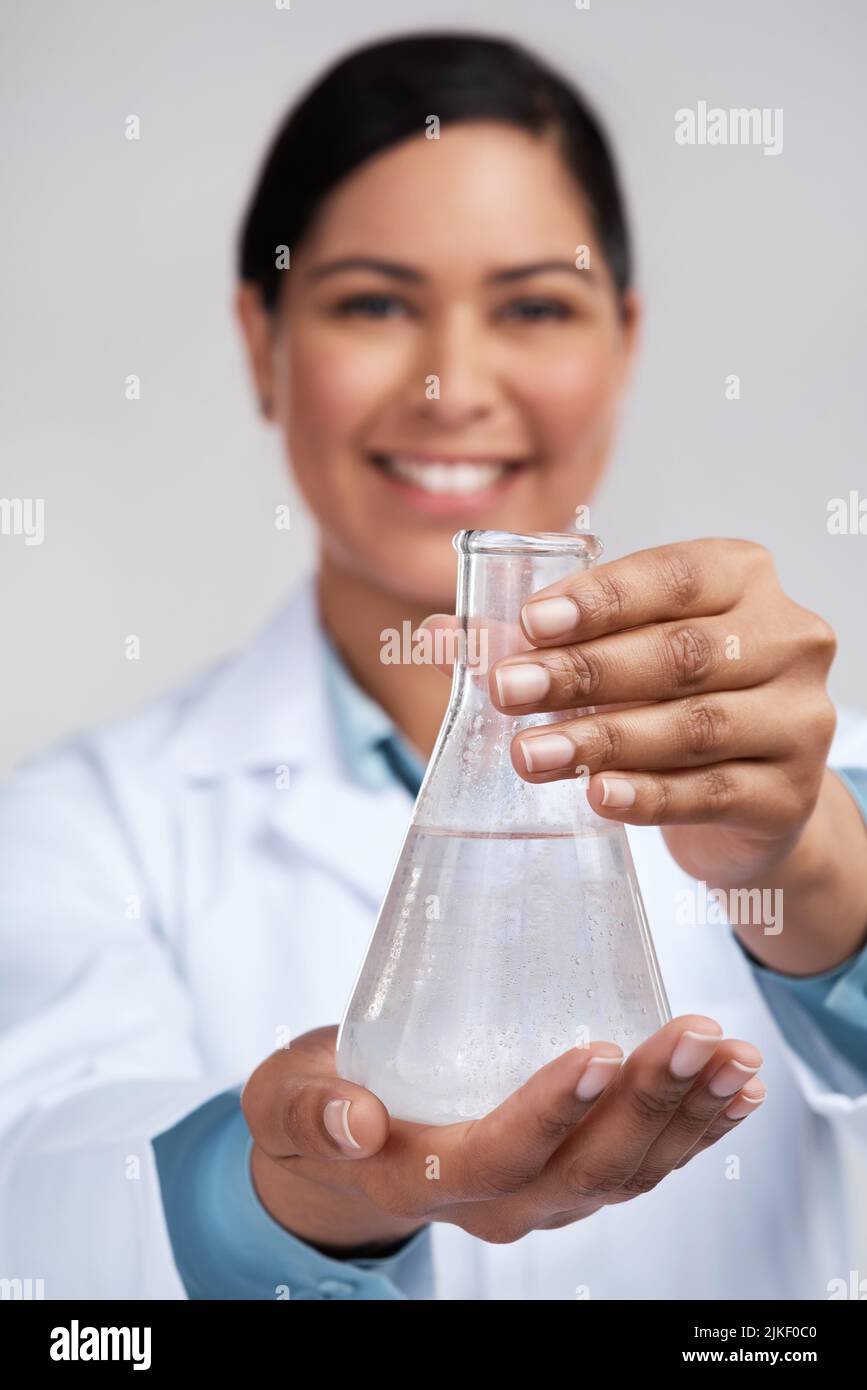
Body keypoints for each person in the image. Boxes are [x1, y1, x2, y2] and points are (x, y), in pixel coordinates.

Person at [1, 32, 866, 1303]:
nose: (453, 385)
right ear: (262, 341)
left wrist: (808, 864)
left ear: (621, 344)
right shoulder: (77, 831)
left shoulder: (813, 760)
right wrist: (301, 1195)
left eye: (533, 305)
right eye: (371, 301)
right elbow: (50, 1212)